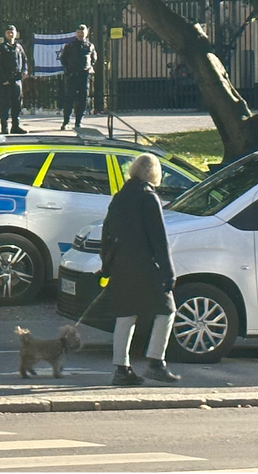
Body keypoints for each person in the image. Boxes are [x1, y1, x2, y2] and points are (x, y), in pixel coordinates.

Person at [99, 153, 181, 385]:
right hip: (146, 265)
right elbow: (159, 239)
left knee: (126, 316)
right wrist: (168, 272)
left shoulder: (120, 196)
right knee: (167, 309)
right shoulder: (149, 197)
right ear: (152, 173)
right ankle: (156, 362)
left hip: (121, 266)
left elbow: (107, 233)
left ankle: (121, 369)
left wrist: (106, 265)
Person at [59, 24, 97, 130]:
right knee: (69, 99)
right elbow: (63, 59)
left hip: (84, 76)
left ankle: (78, 122)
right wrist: (68, 71)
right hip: (72, 76)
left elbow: (93, 59)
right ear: (76, 33)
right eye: (79, 32)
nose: (80, 34)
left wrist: (88, 68)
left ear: (86, 33)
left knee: (82, 99)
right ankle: (66, 121)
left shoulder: (90, 46)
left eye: (82, 32)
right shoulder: (70, 45)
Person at [0, 24, 28, 134]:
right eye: (8, 32)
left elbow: (24, 60)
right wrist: (3, 79)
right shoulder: (1, 48)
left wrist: (24, 72)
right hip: (6, 81)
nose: (10, 34)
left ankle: (15, 126)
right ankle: (4, 127)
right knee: (5, 104)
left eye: (12, 32)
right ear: (5, 34)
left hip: (17, 80)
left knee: (17, 104)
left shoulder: (19, 47)